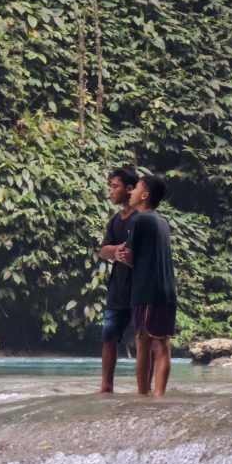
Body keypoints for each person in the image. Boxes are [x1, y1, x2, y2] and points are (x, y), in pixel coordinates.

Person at [119, 174, 177, 396]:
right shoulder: (161, 221)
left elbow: (130, 255)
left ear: (144, 195)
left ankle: (153, 395)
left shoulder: (141, 220)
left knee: (151, 344)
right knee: (153, 343)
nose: (130, 192)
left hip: (147, 292)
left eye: (135, 190)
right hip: (165, 292)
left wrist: (124, 256)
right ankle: (149, 395)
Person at [98, 167, 139, 393]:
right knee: (108, 336)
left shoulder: (141, 219)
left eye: (115, 187)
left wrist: (125, 253)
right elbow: (103, 250)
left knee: (143, 340)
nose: (111, 191)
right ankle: (106, 386)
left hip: (139, 289)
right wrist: (116, 250)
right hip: (117, 289)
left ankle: (144, 388)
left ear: (130, 189)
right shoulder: (115, 220)